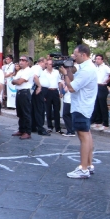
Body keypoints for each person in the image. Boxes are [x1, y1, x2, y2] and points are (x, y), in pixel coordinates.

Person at [59, 44, 97, 178]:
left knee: (83, 137)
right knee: (87, 135)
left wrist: (65, 75)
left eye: (75, 55)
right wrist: (69, 71)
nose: (74, 57)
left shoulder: (87, 70)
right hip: (83, 105)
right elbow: (76, 81)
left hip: (81, 106)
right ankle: (89, 165)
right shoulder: (85, 67)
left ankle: (83, 169)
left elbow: (72, 88)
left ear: (83, 54)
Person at [90, 54, 110, 132]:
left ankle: (105, 124)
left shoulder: (105, 67)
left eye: (99, 59)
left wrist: (108, 80)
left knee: (103, 105)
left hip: (102, 86)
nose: (97, 60)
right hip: (96, 86)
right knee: (97, 104)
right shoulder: (95, 67)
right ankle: (98, 121)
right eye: (96, 59)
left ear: (102, 60)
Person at [12, 55, 34, 139]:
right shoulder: (20, 71)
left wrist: (16, 81)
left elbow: (19, 81)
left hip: (25, 92)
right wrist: (16, 81)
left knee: (26, 113)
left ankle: (27, 131)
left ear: (27, 62)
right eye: (20, 59)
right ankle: (21, 129)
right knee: (20, 113)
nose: (21, 61)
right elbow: (13, 81)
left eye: (23, 60)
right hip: (19, 92)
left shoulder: (28, 71)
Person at [41, 59, 63, 134]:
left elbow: (59, 82)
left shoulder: (56, 72)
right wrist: (43, 94)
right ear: (46, 64)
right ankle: (50, 126)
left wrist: (60, 92)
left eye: (52, 64)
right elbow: (41, 84)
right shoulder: (43, 73)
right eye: (50, 64)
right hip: (47, 91)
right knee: (48, 110)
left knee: (57, 110)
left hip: (55, 91)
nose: (51, 65)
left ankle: (58, 128)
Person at [30, 57, 49, 135]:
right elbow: (35, 77)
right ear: (41, 62)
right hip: (39, 90)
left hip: (38, 89)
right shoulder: (37, 68)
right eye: (45, 63)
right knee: (39, 109)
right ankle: (40, 128)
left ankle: (33, 126)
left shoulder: (36, 68)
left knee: (35, 109)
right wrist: (39, 86)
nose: (46, 65)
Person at [62, 66, 78, 137]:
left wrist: (63, 85)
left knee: (66, 115)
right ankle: (72, 130)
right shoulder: (75, 79)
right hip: (71, 100)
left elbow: (65, 90)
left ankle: (70, 131)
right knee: (70, 115)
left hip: (68, 100)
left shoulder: (70, 80)